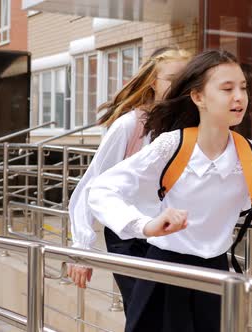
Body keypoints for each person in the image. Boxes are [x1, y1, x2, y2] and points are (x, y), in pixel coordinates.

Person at [87, 49, 252, 332]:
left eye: (243, 88)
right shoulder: (171, 146)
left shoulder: (250, 153)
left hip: (215, 277)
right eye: (227, 88)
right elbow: (101, 189)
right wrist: (145, 225)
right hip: (165, 275)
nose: (239, 97)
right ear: (198, 97)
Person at [67, 47, 192, 313]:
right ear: (152, 82)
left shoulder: (190, 128)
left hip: (173, 237)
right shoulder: (129, 126)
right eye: (172, 78)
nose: (179, 86)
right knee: (144, 313)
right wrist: (82, 248)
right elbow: (93, 185)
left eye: (187, 79)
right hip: (129, 237)